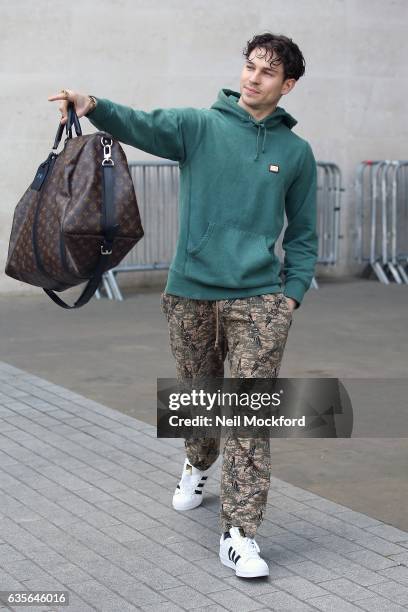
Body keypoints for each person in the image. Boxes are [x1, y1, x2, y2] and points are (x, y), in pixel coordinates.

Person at [48, 31, 318, 579]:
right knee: (199, 396)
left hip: (260, 301)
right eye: (249, 66)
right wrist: (92, 104)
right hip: (190, 293)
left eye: (267, 73)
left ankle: (240, 534)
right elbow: (144, 124)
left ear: (287, 86)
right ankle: (197, 461)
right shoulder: (199, 126)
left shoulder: (296, 154)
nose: (252, 77)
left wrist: (291, 295)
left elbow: (306, 233)